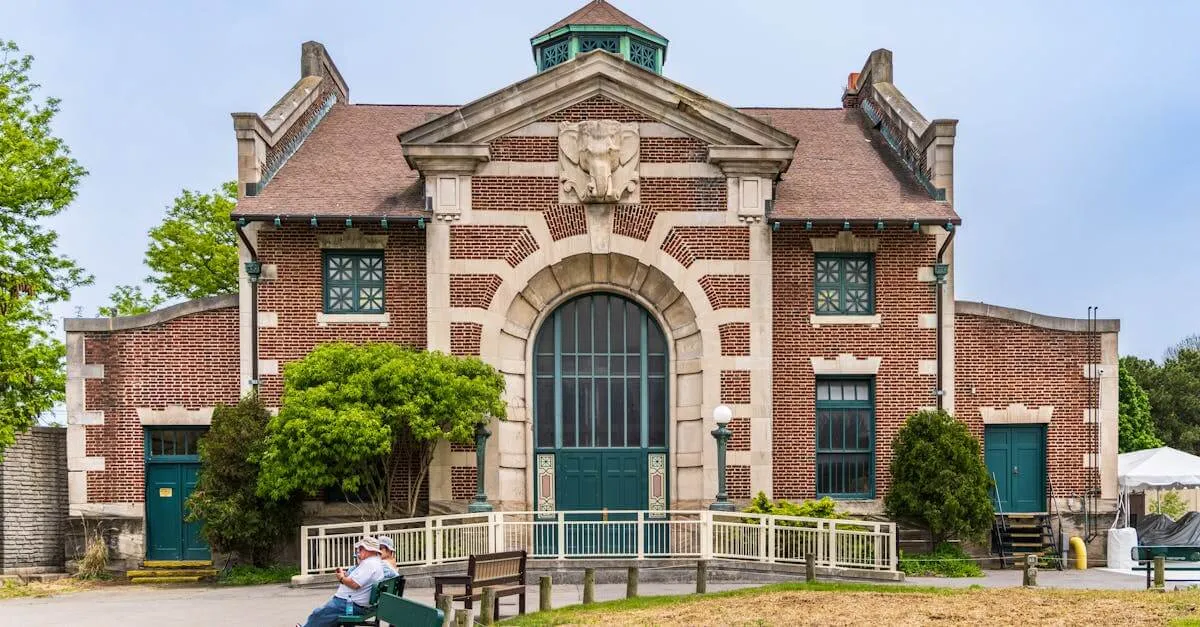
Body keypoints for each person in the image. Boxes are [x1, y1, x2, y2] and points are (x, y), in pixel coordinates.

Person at [297, 536, 387, 627]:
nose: (358, 551)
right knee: (324, 615)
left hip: (350, 605)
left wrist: (341, 578)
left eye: (361, 548)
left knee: (318, 614)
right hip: (353, 603)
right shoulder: (374, 562)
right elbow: (358, 580)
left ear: (370, 550)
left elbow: (354, 584)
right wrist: (345, 576)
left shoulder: (369, 564)